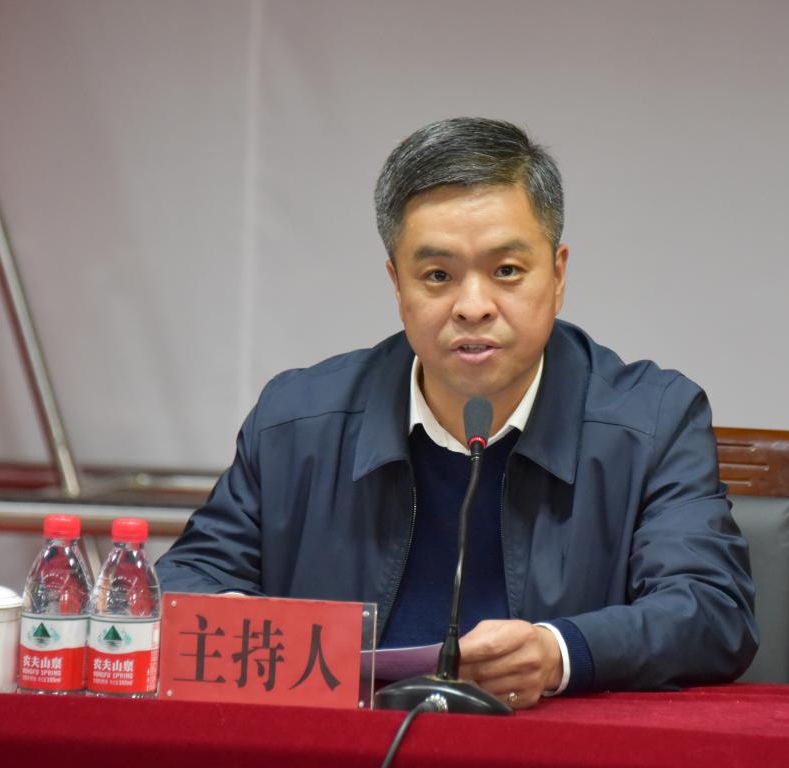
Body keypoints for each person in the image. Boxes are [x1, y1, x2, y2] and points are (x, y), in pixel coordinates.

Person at [156, 117, 758, 708]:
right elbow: (183, 583)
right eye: (438, 275)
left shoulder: (653, 421)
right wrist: (250, 629)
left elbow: (711, 609)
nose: (473, 306)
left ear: (558, 275)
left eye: (507, 271)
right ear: (397, 285)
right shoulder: (296, 421)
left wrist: (559, 652)